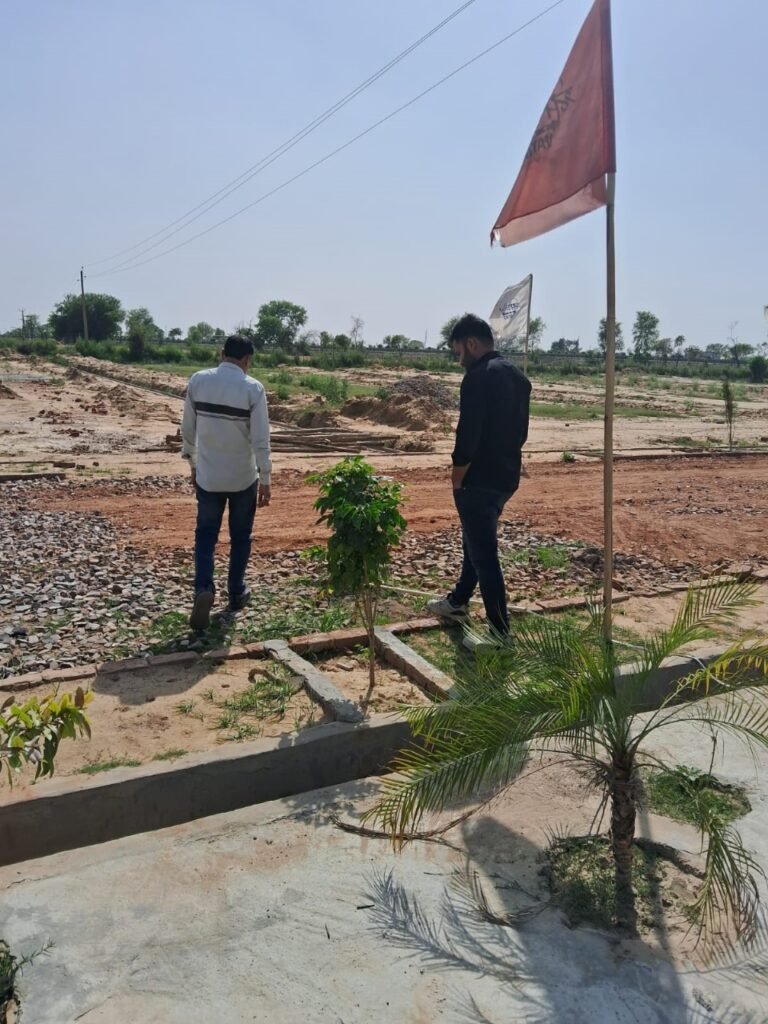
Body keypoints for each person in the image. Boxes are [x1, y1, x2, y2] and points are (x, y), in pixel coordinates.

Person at [426, 313, 531, 642]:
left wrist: (457, 476)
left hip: (478, 480)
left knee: (485, 556)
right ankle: (458, 601)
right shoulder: (519, 377)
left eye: (458, 352)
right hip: (506, 477)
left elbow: (468, 434)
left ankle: (500, 634)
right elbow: (521, 433)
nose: (459, 360)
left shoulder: (478, 377)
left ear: (471, 344)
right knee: (476, 540)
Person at [181, 334, 272, 630]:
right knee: (241, 536)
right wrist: (266, 478)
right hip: (243, 478)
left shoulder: (198, 381)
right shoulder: (252, 388)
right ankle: (235, 594)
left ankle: (203, 588)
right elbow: (261, 439)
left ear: (222, 354)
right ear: (247, 360)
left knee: (205, 535)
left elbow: (188, 429)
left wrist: (193, 464)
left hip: (208, 477)